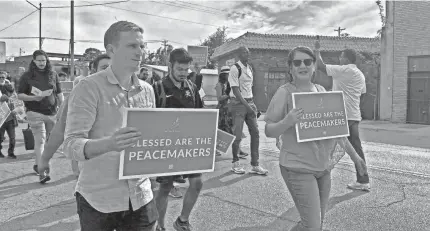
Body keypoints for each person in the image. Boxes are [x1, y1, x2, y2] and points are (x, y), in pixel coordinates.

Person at [63, 21, 158, 231]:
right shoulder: (88, 88)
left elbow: (151, 139)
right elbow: (70, 145)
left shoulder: (148, 90)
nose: (140, 52)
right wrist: (110, 144)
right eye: (132, 46)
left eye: (142, 46)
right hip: (99, 199)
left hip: (141, 196)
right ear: (111, 49)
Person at [264, 46, 368, 231]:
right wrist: (288, 121)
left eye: (307, 61)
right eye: (297, 62)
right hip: (297, 167)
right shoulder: (285, 92)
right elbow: (269, 130)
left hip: (323, 169)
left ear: (314, 66)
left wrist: (356, 158)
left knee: (315, 224)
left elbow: (336, 131)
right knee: (312, 226)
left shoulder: (320, 90)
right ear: (290, 68)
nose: (302, 65)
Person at [38, 54, 112, 183]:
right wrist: (45, 159)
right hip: (92, 173)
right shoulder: (81, 92)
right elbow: (61, 129)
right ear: (94, 71)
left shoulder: (134, 92)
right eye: (105, 67)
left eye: (113, 67)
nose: (110, 71)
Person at [153, 48, 203, 231]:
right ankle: (159, 226)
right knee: (165, 188)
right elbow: (150, 119)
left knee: (197, 183)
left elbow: (201, 116)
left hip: (188, 146)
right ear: (170, 66)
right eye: (180, 69)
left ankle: (182, 221)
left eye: (186, 70)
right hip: (166, 148)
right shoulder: (158, 88)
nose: (183, 73)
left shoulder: (193, 87)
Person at [314, 41, 370, 191]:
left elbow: (320, 65)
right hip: (354, 115)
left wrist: (317, 50)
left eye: (341, 56)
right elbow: (362, 94)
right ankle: (363, 181)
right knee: (356, 148)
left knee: (328, 147)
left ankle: (319, 178)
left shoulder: (344, 70)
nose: (339, 58)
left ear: (346, 59)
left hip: (340, 114)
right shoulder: (360, 74)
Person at [18, 50, 64, 175]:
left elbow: (59, 93)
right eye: (39, 60)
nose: (42, 63)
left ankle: (38, 163)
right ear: (33, 61)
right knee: (40, 140)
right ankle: (42, 171)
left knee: (48, 142)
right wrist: (33, 98)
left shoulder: (53, 74)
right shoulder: (26, 76)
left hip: (52, 113)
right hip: (34, 112)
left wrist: (63, 107)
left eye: (43, 60)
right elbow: (20, 95)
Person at [229, 46, 268, 175]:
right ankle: (235, 163)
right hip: (238, 105)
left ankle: (255, 165)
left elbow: (249, 89)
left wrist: (253, 106)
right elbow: (236, 91)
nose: (247, 54)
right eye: (244, 52)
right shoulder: (235, 68)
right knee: (238, 135)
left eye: (248, 52)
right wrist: (248, 106)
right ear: (239, 55)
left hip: (249, 102)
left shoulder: (250, 68)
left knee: (256, 133)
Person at [215, 66, 250, 157]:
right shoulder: (219, 85)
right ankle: (215, 148)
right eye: (227, 74)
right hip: (223, 111)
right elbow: (219, 98)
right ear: (223, 75)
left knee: (235, 129)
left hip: (230, 109)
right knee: (220, 130)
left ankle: (238, 150)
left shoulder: (230, 84)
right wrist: (228, 95)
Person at [0, 70, 17, 159]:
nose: (2, 79)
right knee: (0, 138)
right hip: (1, 118)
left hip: (10, 118)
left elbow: (16, 100)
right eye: (0, 77)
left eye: (3, 77)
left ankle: (11, 152)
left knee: (12, 138)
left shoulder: (9, 86)